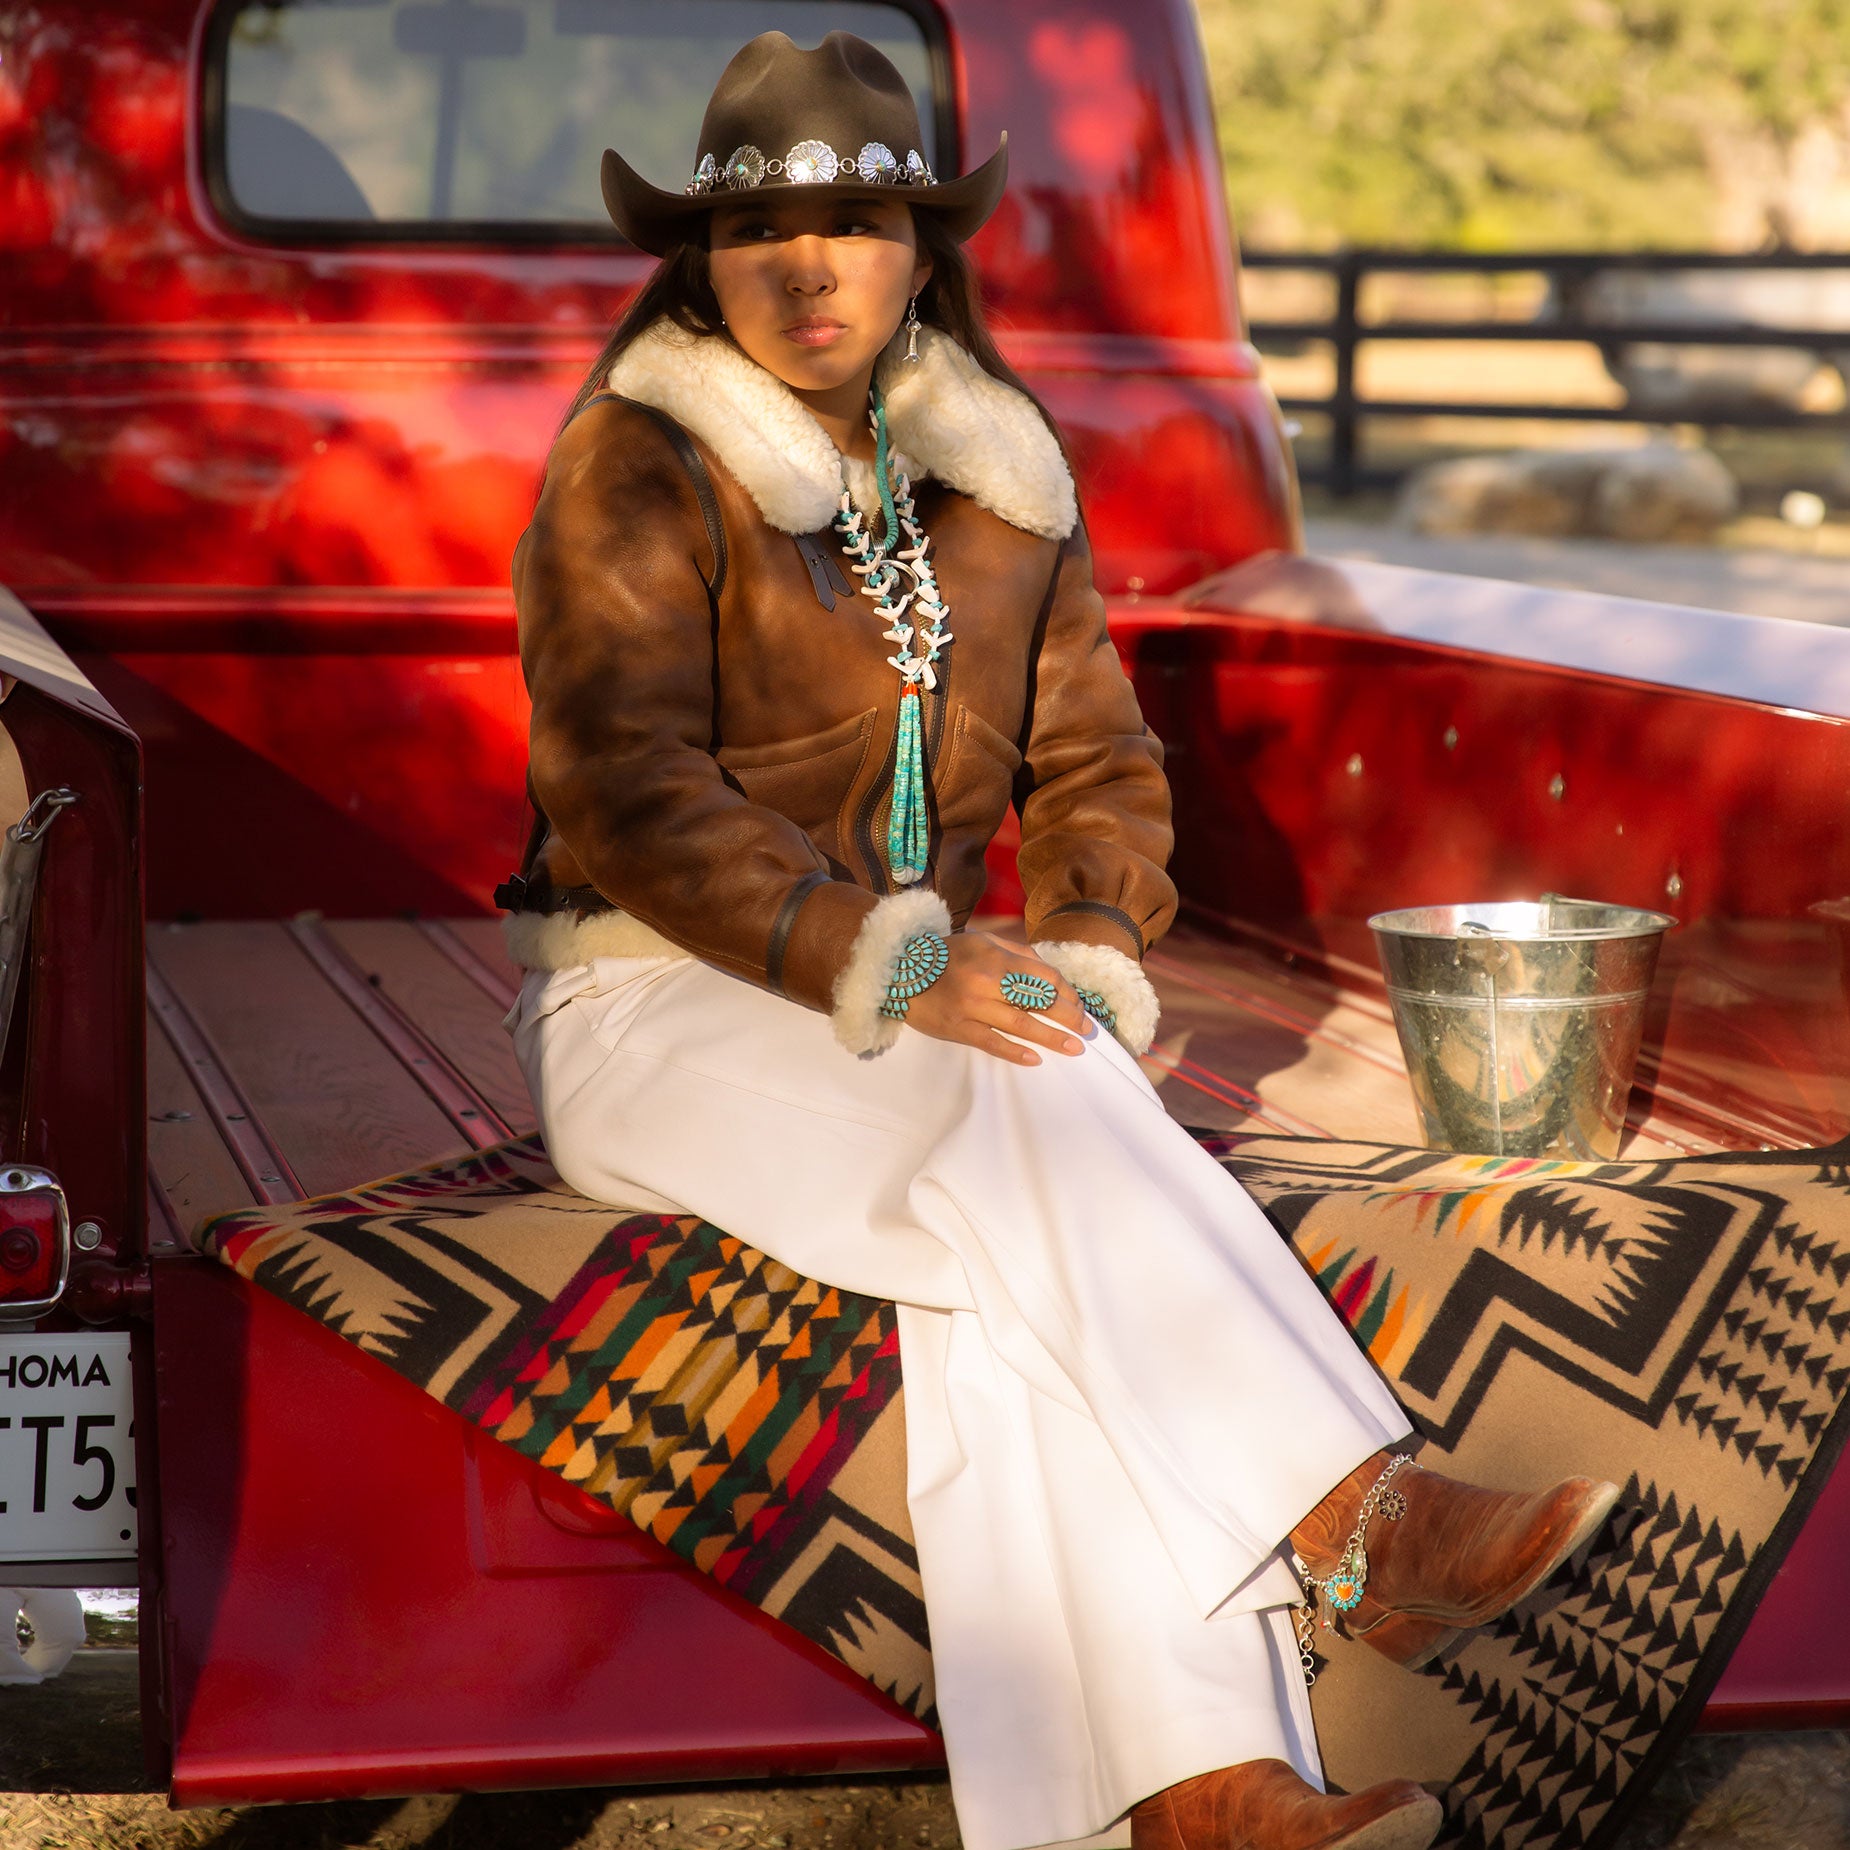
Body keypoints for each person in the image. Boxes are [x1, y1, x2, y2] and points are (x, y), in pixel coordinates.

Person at [499, 31, 1621, 1850]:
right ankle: (1352, 1513)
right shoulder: (634, 460)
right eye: (760, 232)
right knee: (1018, 1108)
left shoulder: (996, 478)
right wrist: (896, 957)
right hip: (654, 995)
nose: (809, 267)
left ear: (920, 247)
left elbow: (1099, 754)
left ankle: (1205, 1797)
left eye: (858, 222)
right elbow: (620, 786)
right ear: (696, 259)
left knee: (1018, 1258)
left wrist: (1085, 937)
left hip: (887, 1008)